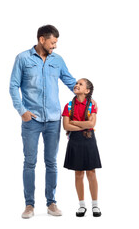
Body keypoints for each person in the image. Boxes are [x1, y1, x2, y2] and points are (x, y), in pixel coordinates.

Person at [9, 25, 97, 218]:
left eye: (56, 42)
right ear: (42, 40)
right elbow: (13, 86)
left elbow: (70, 81)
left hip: (53, 119)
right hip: (31, 120)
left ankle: (51, 203)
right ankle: (29, 205)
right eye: (53, 42)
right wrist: (22, 111)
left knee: (51, 162)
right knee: (29, 162)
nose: (55, 46)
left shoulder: (57, 60)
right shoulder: (23, 58)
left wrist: (88, 98)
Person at [62, 78, 102, 217]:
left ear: (87, 90)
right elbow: (66, 126)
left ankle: (95, 205)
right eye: (76, 83)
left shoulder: (92, 104)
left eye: (80, 84)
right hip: (75, 141)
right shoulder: (68, 106)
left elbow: (92, 125)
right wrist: (83, 124)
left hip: (89, 139)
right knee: (78, 173)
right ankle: (82, 205)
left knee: (91, 172)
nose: (76, 85)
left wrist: (74, 122)